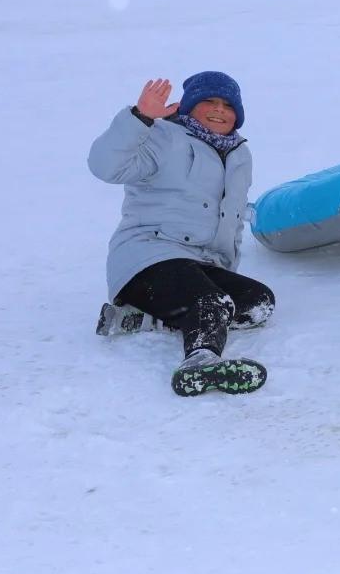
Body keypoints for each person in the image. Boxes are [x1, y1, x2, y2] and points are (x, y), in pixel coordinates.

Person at [88, 72, 274, 397]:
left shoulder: (239, 155)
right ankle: (200, 362)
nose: (219, 110)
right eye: (209, 101)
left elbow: (232, 217)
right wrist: (141, 117)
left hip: (201, 263)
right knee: (211, 302)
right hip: (148, 257)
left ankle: (140, 321)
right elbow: (104, 165)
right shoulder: (163, 137)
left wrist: (223, 268)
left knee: (258, 302)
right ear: (189, 107)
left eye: (228, 105)